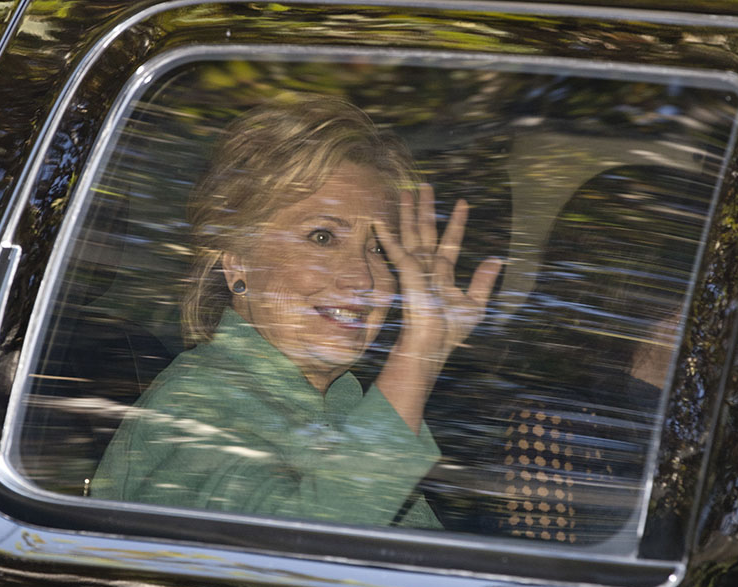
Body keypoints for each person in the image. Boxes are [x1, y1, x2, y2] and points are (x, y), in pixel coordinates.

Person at [91, 95, 502, 528]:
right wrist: (417, 356)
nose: (362, 277)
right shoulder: (193, 408)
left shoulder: (345, 405)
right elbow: (303, 553)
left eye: (379, 248)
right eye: (322, 238)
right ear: (238, 263)